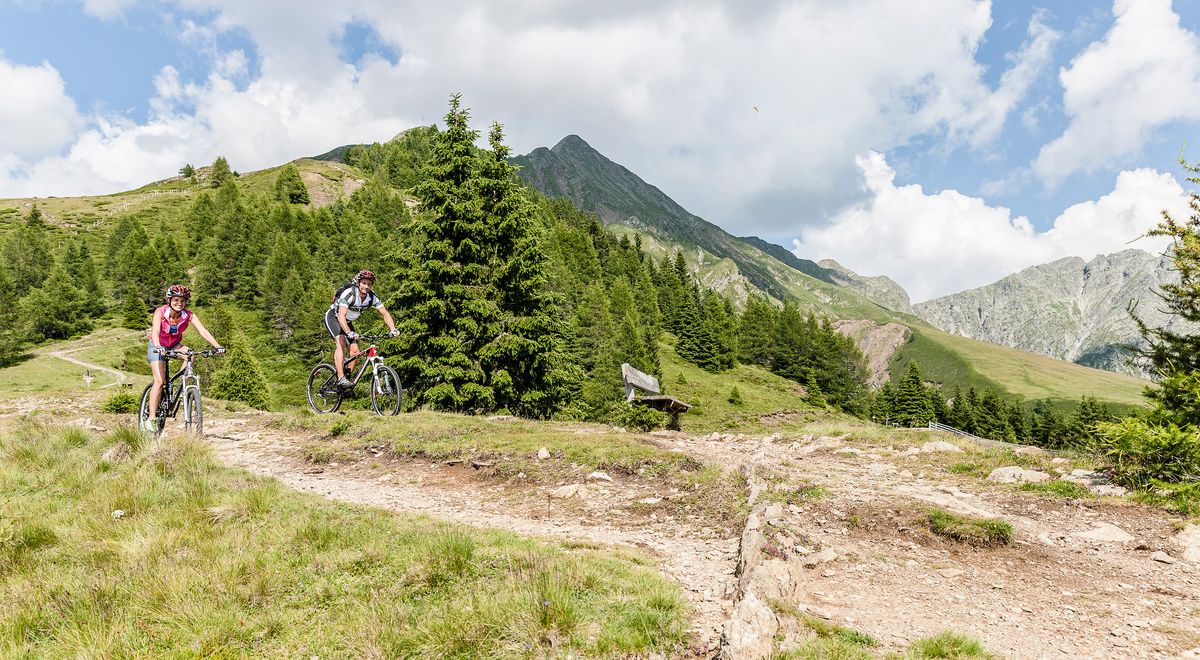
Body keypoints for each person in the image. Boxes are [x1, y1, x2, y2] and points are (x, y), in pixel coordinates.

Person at [145, 284, 223, 431]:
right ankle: (151, 418)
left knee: (190, 355)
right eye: (176, 300)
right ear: (169, 300)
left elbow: (203, 331)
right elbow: (155, 331)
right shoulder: (160, 312)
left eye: (182, 301)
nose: (179, 303)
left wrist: (217, 346)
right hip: (157, 346)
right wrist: (157, 346)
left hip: (174, 345)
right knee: (160, 381)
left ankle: (182, 385)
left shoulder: (189, 315)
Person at [325, 270, 399, 388]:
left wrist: (393, 329)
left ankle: (347, 379)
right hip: (334, 317)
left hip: (347, 321)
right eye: (364, 283)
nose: (366, 286)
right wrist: (348, 332)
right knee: (342, 342)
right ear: (359, 283)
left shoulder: (372, 297)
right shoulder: (349, 294)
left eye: (369, 284)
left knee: (355, 350)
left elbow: (385, 314)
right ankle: (340, 378)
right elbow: (341, 315)